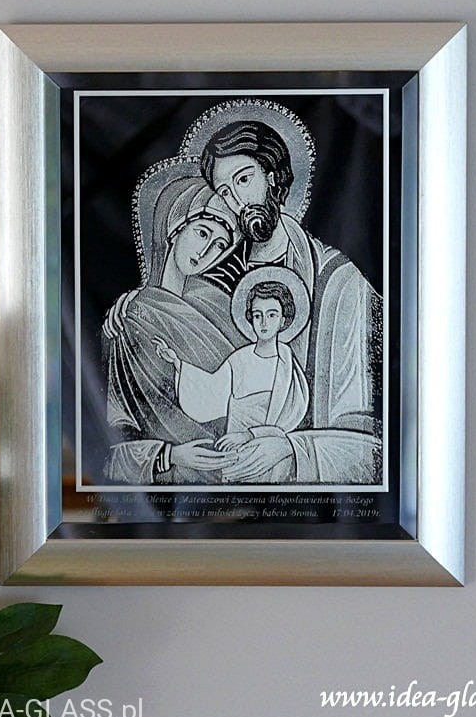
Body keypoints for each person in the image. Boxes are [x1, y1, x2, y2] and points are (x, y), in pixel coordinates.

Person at [196, 119, 382, 483]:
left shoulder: (338, 281)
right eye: (225, 192)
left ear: (272, 177)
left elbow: (370, 451)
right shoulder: (212, 282)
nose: (238, 201)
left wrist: (292, 449)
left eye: (244, 179)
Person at [103, 176, 250, 484]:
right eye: (202, 233)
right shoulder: (132, 316)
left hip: (238, 465)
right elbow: (108, 441)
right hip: (176, 482)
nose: (207, 251)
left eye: (220, 245)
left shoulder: (221, 306)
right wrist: (169, 455)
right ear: (175, 229)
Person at [152, 275, 310, 482]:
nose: (264, 322)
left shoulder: (288, 366)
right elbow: (210, 392)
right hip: (235, 456)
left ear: (283, 320)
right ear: (250, 318)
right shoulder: (239, 360)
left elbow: (288, 423)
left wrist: (251, 435)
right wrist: (177, 363)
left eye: (272, 315)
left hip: (273, 456)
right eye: (257, 315)